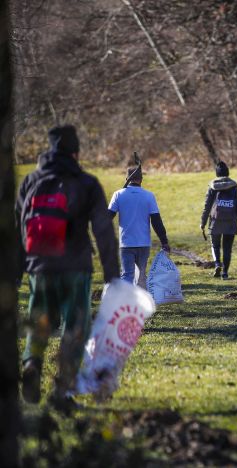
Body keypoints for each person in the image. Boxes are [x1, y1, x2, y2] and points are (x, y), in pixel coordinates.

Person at [15, 125, 119, 408]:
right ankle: (62, 390)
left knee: (39, 320)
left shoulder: (31, 181)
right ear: (76, 152)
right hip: (75, 267)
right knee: (76, 327)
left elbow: (18, 227)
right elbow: (103, 230)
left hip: (39, 265)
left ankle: (32, 364)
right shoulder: (86, 182)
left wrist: (16, 272)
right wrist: (113, 276)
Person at [108, 165, 170, 289]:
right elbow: (156, 220)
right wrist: (164, 241)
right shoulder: (149, 196)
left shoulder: (118, 194)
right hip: (143, 243)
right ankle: (142, 306)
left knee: (126, 275)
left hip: (126, 243)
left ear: (127, 178)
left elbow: (108, 217)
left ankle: (126, 304)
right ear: (141, 179)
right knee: (141, 276)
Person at [200, 161, 237, 279]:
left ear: (217, 173)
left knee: (215, 245)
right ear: (227, 172)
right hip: (231, 221)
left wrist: (203, 222)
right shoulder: (234, 186)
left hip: (215, 220)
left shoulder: (212, 186)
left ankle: (217, 264)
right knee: (227, 248)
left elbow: (207, 206)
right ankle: (225, 273)